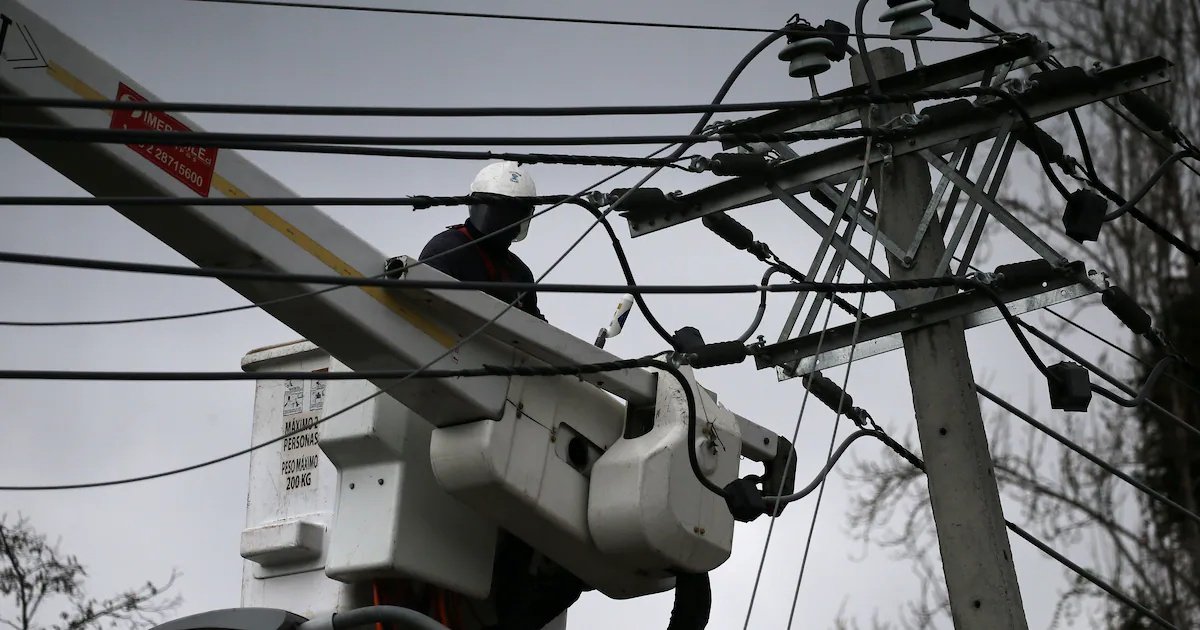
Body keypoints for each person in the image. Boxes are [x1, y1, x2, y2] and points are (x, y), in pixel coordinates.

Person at [410, 161, 545, 320]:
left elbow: (536, 330)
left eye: (513, 216)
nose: (505, 223)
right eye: (498, 213)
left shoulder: (520, 274)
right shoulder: (448, 249)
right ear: (476, 207)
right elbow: (424, 306)